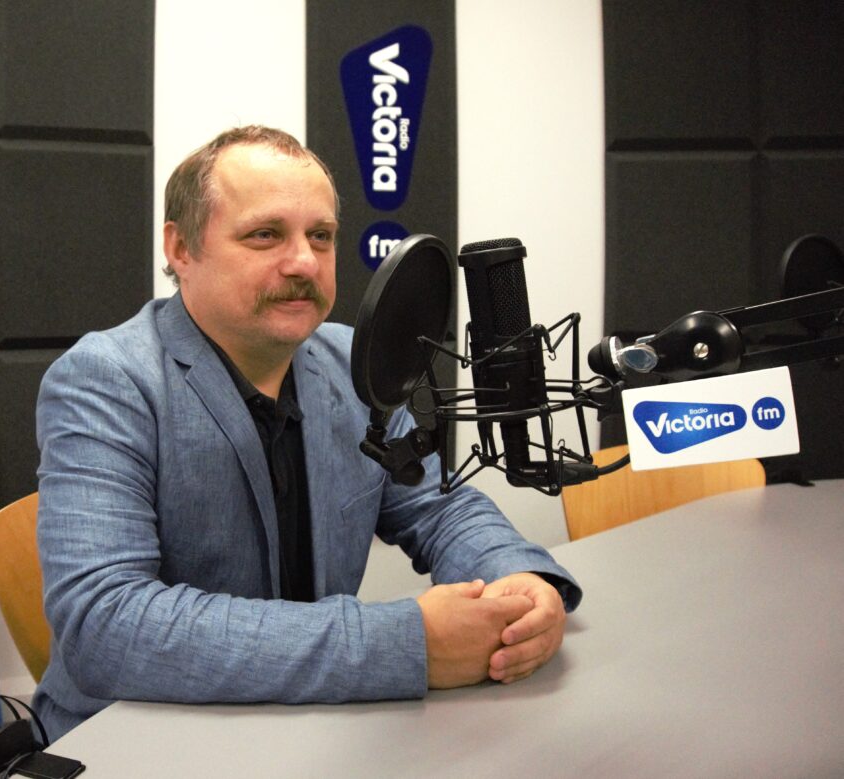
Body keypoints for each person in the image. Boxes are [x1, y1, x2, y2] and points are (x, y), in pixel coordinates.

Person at [33, 125, 582, 739]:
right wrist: (404, 643)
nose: (303, 262)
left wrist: (518, 580)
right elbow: (103, 624)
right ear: (182, 248)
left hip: (312, 727)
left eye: (320, 236)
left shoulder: (353, 364)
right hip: (139, 738)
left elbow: (436, 506)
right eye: (265, 235)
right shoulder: (105, 379)